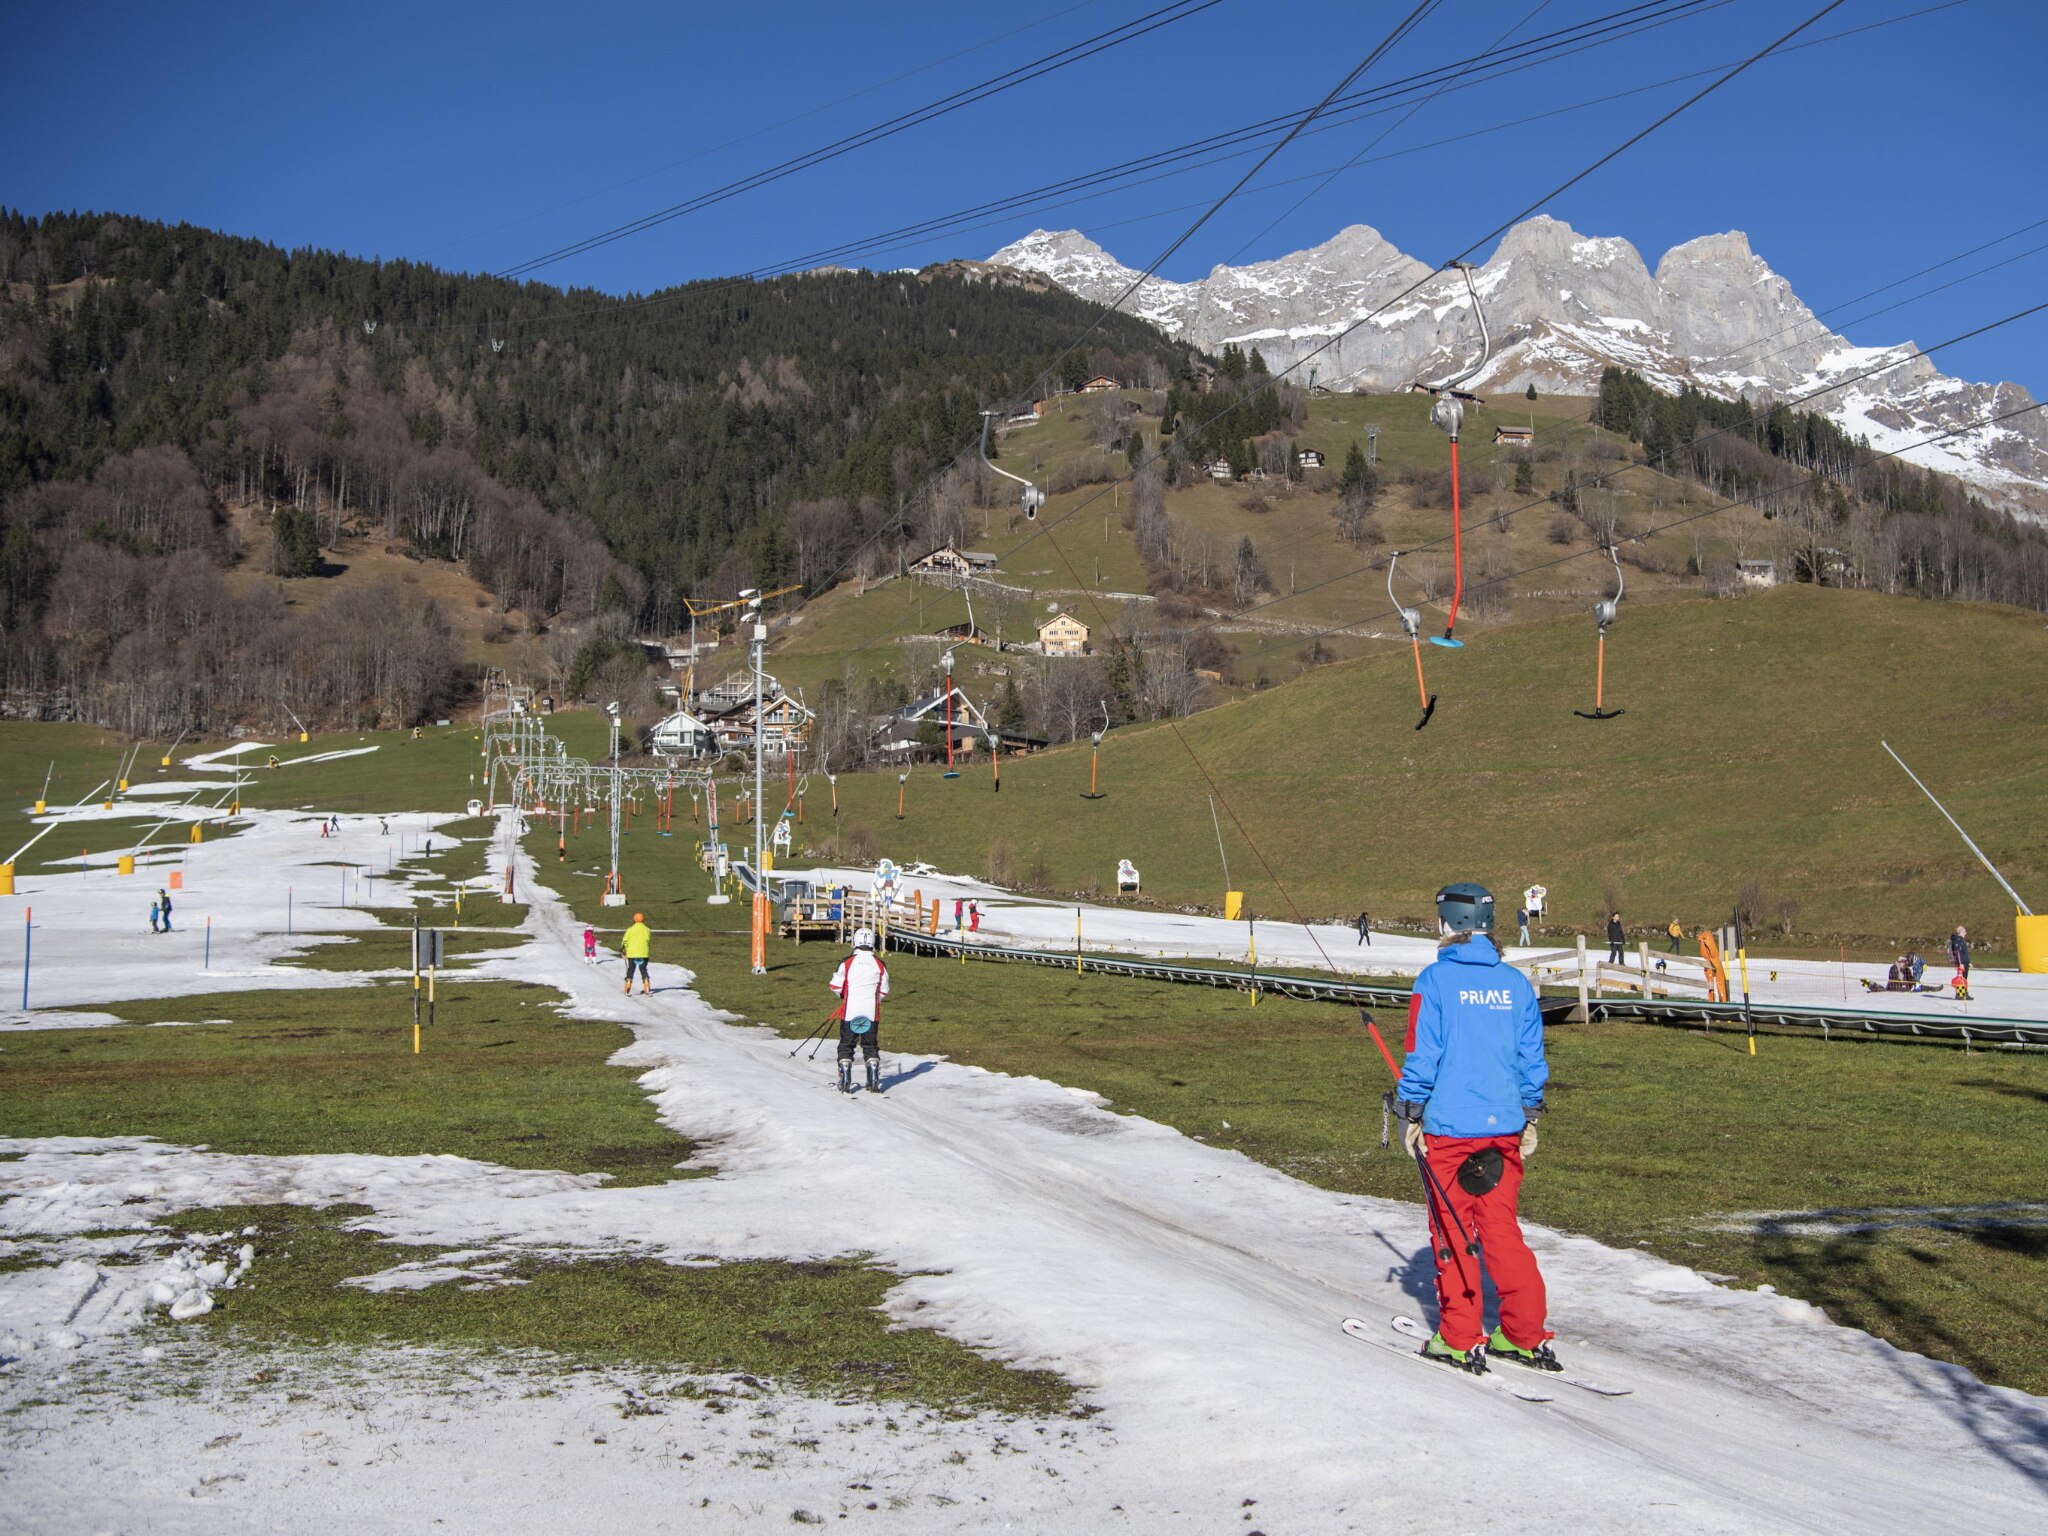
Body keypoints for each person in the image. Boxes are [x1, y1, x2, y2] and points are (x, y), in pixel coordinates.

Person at [1395, 882, 1556, 1376]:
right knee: (1500, 1228)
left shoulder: (1434, 980)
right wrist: (1530, 1112)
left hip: (1449, 1129)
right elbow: (1532, 1056)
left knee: (1452, 1229)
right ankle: (1524, 1335)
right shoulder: (1515, 983)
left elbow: (1424, 1052)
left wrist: (1412, 1107)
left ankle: (1461, 1337)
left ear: (1447, 924)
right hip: (1503, 1126)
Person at [828, 926, 891, 1094]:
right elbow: (884, 990)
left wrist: (844, 996)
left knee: (846, 1045)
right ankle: (873, 1079)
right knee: (870, 1045)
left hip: (850, 1011)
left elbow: (835, 985)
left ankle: (845, 1078)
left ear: (855, 942)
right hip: (871, 1012)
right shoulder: (879, 964)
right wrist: (875, 999)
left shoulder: (846, 962)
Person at [621, 913, 652, 995]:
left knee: (631, 970)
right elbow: (648, 939)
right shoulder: (647, 930)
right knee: (643, 970)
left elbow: (625, 941)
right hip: (643, 953)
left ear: (634, 920)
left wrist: (624, 951)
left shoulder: (630, 929)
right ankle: (647, 987)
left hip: (632, 954)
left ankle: (627, 987)